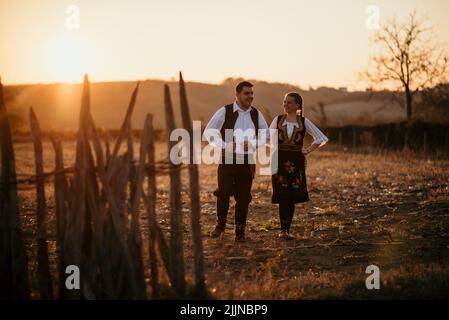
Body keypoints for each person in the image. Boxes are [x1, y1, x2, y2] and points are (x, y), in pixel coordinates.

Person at [203, 81, 269, 241]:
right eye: (247, 93)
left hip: (247, 161)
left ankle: (240, 233)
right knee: (223, 193)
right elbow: (209, 132)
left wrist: (253, 143)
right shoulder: (225, 111)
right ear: (237, 95)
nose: (250, 97)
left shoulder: (256, 114)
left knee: (244, 197)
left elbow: (267, 135)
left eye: (252, 94)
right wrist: (225, 145)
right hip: (227, 159)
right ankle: (220, 226)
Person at [270, 92, 328, 240]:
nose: (285, 105)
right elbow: (267, 138)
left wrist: (307, 150)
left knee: (292, 195)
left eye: (289, 102)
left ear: (297, 105)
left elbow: (321, 138)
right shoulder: (277, 120)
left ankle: (287, 230)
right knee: (283, 195)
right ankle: (283, 230)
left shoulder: (303, 121)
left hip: (297, 162)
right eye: (284, 102)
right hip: (279, 161)